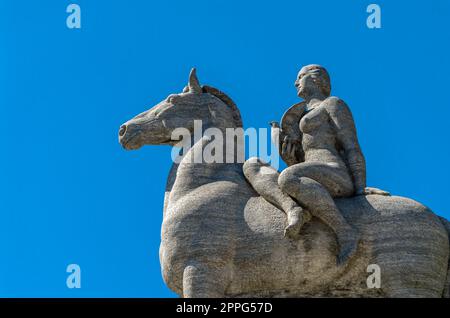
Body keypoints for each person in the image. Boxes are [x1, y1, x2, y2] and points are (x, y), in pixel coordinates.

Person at [243, 64, 388, 265]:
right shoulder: (301, 115)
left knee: (288, 177)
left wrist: (360, 186)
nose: (295, 82)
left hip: (334, 172)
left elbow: (351, 145)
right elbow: (301, 161)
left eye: (300, 76)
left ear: (316, 79)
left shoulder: (333, 104)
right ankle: (293, 209)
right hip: (310, 172)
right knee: (251, 165)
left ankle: (345, 232)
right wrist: (289, 155)